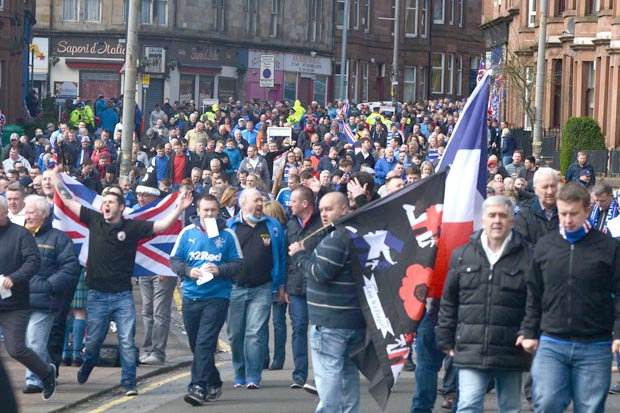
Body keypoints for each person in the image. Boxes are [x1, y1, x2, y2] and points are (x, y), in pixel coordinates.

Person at [51, 168, 193, 396]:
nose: (105, 205)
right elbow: (68, 201)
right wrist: (57, 178)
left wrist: (179, 208)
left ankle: (129, 383)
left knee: (127, 341)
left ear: (121, 208)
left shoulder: (132, 227)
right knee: (94, 341)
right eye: (104, 201)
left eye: (110, 202)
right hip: (97, 295)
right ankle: (88, 363)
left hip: (123, 296)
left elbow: (161, 226)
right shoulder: (94, 219)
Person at [518, 182, 620, 412]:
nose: (567, 220)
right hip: (552, 341)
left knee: (590, 407)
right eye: (563, 213)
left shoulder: (608, 248)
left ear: (587, 209)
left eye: (574, 214)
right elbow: (534, 293)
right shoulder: (545, 247)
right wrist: (528, 331)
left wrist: (618, 332)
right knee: (547, 403)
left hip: (595, 343)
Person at [436, 196, 531, 412]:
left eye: (503, 216)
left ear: (512, 222)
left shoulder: (528, 257)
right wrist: (445, 337)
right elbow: (449, 301)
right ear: (483, 220)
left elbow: (534, 303)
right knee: (468, 404)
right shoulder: (462, 256)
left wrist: (528, 331)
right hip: (471, 345)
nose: (497, 221)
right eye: (492, 215)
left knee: (510, 407)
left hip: (511, 348)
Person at [289, 191, 365, 413]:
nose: (323, 214)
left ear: (344, 209)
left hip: (332, 322)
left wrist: (299, 255)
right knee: (347, 374)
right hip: (351, 320)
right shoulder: (352, 234)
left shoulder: (337, 238)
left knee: (330, 375)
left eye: (328, 209)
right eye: (321, 209)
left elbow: (319, 273)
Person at [170, 194, 243, 406]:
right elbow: (175, 260)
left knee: (205, 343)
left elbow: (238, 263)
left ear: (218, 212)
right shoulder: (187, 233)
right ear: (198, 211)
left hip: (217, 297)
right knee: (196, 344)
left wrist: (220, 270)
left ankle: (198, 387)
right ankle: (214, 380)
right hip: (191, 296)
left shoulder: (228, 235)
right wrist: (188, 271)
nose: (209, 214)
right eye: (206, 210)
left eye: (213, 210)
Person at [227, 188, 286, 389]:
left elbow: (281, 258)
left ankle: (253, 376)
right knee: (235, 334)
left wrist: (281, 287)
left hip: (262, 288)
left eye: (262, 200)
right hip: (234, 288)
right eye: (256, 200)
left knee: (255, 333)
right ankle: (239, 373)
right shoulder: (230, 227)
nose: (261, 204)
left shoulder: (273, 226)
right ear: (243, 204)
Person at [0, 197, 57, 400]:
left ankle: (46, 373)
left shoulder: (20, 234)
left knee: (16, 349)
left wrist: (13, 278)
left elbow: (33, 261)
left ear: (5, 213)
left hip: (14, 304)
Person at [22, 195, 80, 394]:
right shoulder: (17, 235)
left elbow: (71, 267)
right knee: (20, 345)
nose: (27, 215)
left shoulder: (58, 238)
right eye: (26, 212)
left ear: (43, 214)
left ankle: (35, 381)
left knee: (35, 342)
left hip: (44, 302)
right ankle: (47, 371)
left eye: (31, 212)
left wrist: (48, 285)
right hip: (17, 300)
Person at [284, 186, 324, 389]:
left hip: (318, 285)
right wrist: (284, 286)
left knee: (319, 330)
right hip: (296, 286)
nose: (289, 204)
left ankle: (321, 375)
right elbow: (285, 256)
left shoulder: (322, 223)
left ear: (305, 203)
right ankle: (299, 375)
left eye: (293, 200)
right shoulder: (290, 224)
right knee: (298, 329)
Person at [134, 182, 178, 365]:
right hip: (145, 269)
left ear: (155, 197)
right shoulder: (137, 213)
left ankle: (158, 351)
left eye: (145, 195)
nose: (141, 198)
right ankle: (148, 349)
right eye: (139, 194)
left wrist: (164, 267)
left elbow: (171, 240)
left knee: (160, 311)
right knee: (147, 311)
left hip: (162, 270)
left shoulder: (166, 213)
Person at [514, 167, 559, 245]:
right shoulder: (524, 215)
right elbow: (521, 246)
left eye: (553, 186)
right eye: (545, 187)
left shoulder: (567, 213)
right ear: (535, 189)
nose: (550, 191)